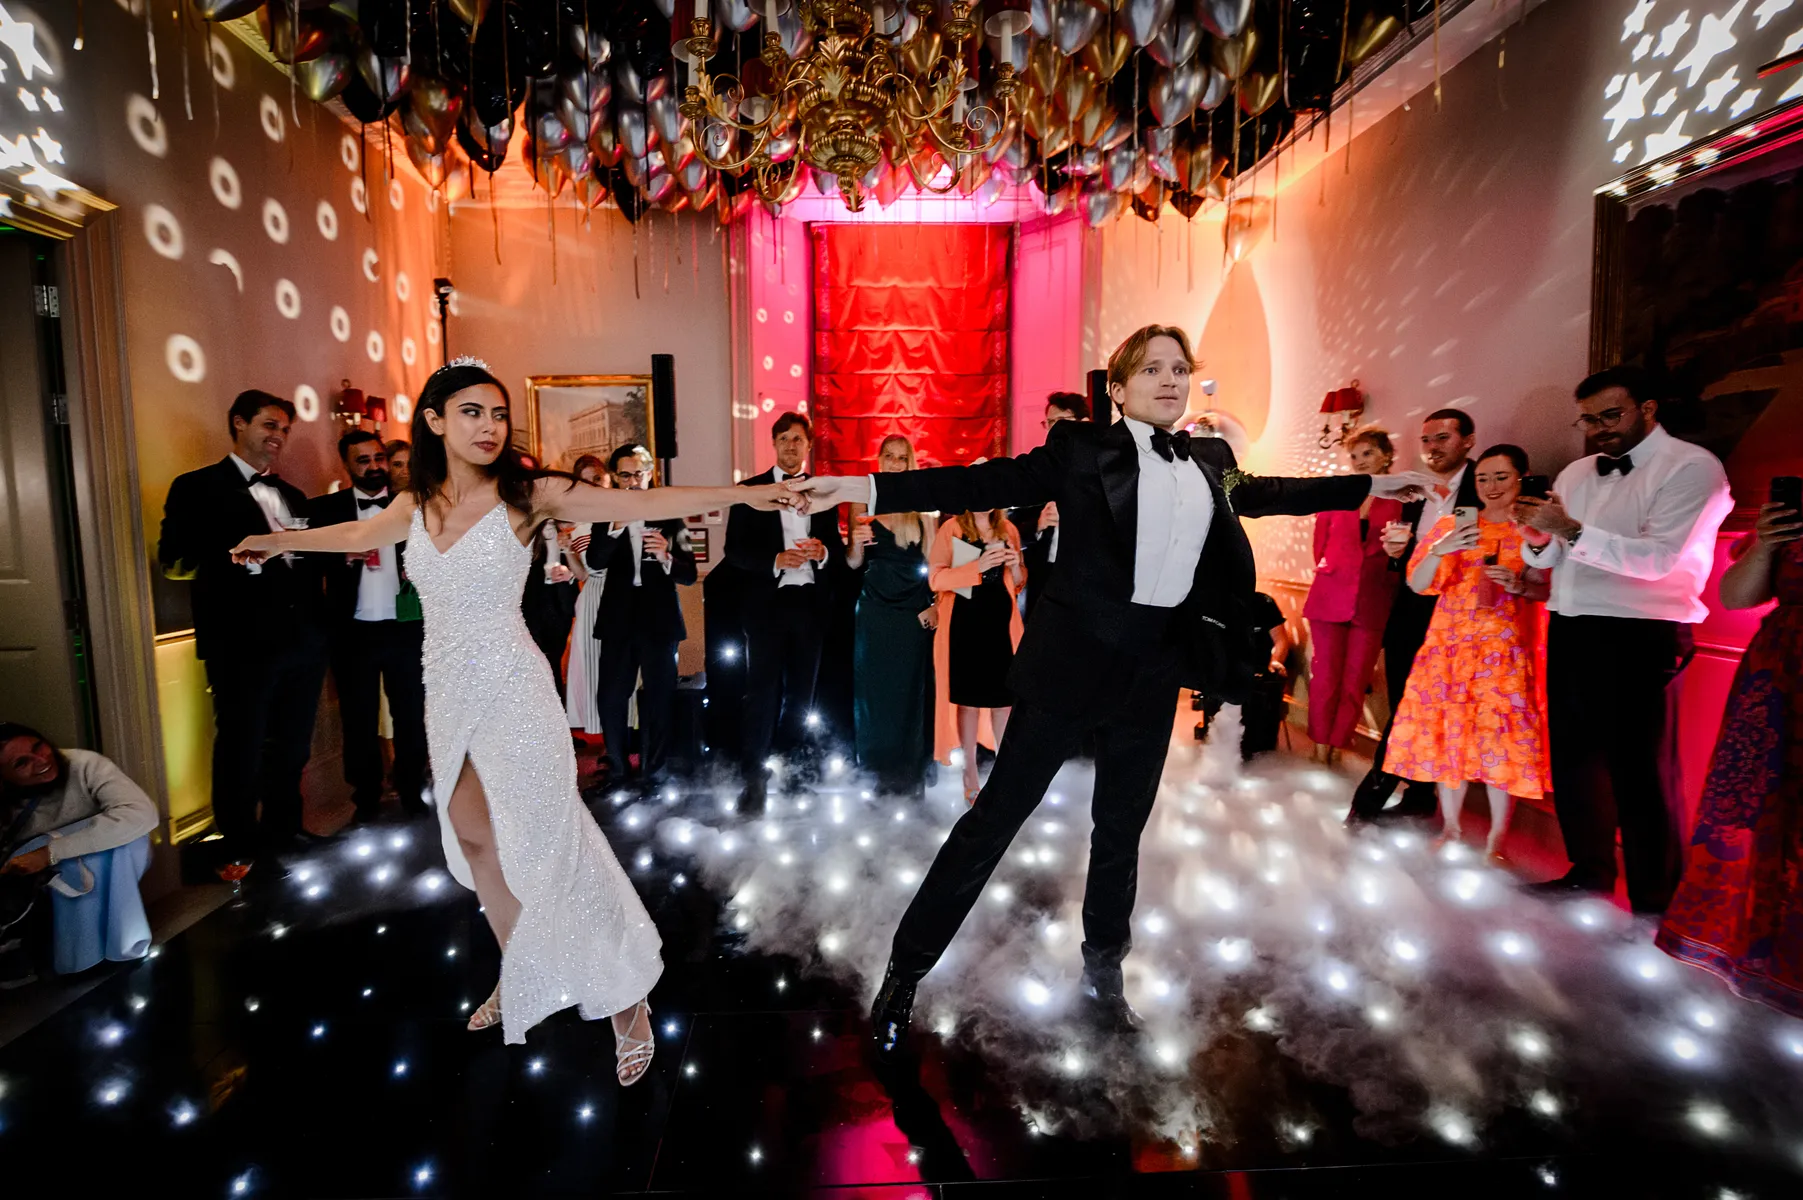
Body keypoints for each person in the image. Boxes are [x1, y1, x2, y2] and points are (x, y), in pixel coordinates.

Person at [794, 325, 1431, 1054]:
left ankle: (1103, 978)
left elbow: (1273, 493)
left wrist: (1374, 485)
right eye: (1152, 369)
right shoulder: (1081, 450)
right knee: (992, 823)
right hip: (1068, 669)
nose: (1169, 379)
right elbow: (980, 480)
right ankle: (906, 971)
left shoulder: (1211, 461)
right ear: (1119, 389)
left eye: (1179, 369)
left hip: (1151, 672)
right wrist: (863, 487)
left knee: (1119, 834)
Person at [230, 357, 799, 1079]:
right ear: (434, 420)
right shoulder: (415, 502)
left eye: (498, 415)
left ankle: (628, 1003)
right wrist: (277, 541)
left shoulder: (527, 496)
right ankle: (523, 965)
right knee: (473, 839)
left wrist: (747, 492)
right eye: (472, 412)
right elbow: (353, 536)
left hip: (513, 685)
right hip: (448, 690)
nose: (489, 426)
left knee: (548, 843)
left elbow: (632, 506)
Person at [1518, 366, 1733, 913]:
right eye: (1588, 418)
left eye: (1610, 415)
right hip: (1572, 623)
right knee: (1574, 762)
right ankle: (1588, 873)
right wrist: (1539, 539)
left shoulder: (1692, 467)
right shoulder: (1576, 473)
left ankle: (1656, 904)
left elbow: (1659, 559)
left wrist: (1567, 530)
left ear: (1649, 409)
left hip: (1643, 633)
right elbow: (1553, 558)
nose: (1598, 429)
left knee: (1641, 772)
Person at [157, 390, 329, 878]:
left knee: (292, 747)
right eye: (269, 426)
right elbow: (174, 562)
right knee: (241, 747)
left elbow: (305, 565)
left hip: (304, 642)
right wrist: (237, 554)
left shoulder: (293, 495)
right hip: (242, 645)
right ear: (238, 423)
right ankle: (239, 846)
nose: (278, 437)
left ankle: (285, 833)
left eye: (284, 430)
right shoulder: (195, 487)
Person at [1657, 491, 1803, 1014]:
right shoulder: (1792, 521)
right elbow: (1736, 598)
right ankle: (1754, 955)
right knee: (1758, 810)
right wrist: (1765, 542)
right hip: (1780, 678)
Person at [1384, 445, 1551, 861]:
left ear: (1521, 477)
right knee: (1448, 736)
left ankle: (1497, 837)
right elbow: (1419, 584)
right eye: (1483, 479)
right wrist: (1441, 548)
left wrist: (1517, 585)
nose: (1491, 487)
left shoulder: (1532, 529)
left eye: (1501, 477)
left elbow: (1546, 588)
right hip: (1449, 645)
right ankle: (1453, 828)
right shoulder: (1457, 522)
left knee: (1501, 739)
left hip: (1502, 646)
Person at [1345, 409, 1482, 823]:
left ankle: (1368, 801)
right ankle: (1421, 797)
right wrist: (1396, 552)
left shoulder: (1484, 484)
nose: (1432, 448)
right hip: (1409, 607)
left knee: (1428, 706)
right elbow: (1408, 557)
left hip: (1456, 611)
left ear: (1468, 441)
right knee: (1404, 701)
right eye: (1426, 441)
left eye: (1442, 438)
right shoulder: (1416, 488)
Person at [725, 413, 846, 814]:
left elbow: (835, 549)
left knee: (801, 697)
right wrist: (775, 558)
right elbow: (734, 552)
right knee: (761, 693)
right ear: (774, 444)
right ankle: (754, 779)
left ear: (809, 445)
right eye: (783, 439)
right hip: (766, 607)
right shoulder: (751, 491)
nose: (791, 445)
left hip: (810, 606)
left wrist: (824, 552)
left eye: (798, 439)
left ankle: (793, 771)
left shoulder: (823, 492)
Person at [310, 431, 429, 822]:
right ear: (346, 465)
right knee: (358, 719)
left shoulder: (415, 508)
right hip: (353, 630)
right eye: (364, 460)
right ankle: (366, 798)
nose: (375, 467)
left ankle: (413, 790)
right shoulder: (326, 510)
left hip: (406, 626)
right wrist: (340, 555)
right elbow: (302, 560)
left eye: (380, 458)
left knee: (411, 714)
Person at [0, 724, 159, 987]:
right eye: (21, 763)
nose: (40, 761)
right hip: (43, 877)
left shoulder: (84, 764)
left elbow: (140, 814)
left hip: (110, 855)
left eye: (38, 747)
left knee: (118, 846)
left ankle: (116, 950)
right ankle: (78, 959)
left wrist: (50, 852)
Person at [587, 445, 698, 788]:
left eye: (640, 474)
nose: (634, 481)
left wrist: (666, 557)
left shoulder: (671, 514)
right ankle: (618, 769)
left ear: (651, 475)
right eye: (626, 475)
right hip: (618, 620)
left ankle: (656, 772)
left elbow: (690, 574)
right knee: (610, 697)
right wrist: (617, 526)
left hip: (659, 621)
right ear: (615, 478)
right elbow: (594, 560)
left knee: (660, 699)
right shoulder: (606, 513)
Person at [1304, 428, 1404, 765]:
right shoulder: (1337, 495)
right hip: (1329, 595)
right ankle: (1319, 748)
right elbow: (1319, 545)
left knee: (1355, 680)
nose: (1360, 461)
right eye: (1355, 455)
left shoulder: (1402, 499)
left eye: (1368, 454)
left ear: (1386, 456)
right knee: (1325, 677)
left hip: (1374, 598)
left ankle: (1337, 744)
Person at [847, 435, 938, 797]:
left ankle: (910, 774)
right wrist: (854, 543)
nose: (896, 464)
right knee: (874, 696)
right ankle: (875, 776)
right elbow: (854, 562)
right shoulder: (863, 500)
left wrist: (935, 604)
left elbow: (935, 565)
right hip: (874, 612)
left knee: (911, 694)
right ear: (880, 459)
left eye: (902, 458)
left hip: (913, 615)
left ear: (910, 462)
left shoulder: (924, 508)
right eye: (890, 457)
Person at [931, 508, 1025, 800]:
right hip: (964, 622)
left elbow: (1019, 582)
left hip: (1000, 624)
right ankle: (969, 771)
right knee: (967, 702)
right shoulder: (952, 528)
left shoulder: (1008, 528)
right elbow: (936, 579)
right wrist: (979, 566)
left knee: (1003, 702)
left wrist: (1016, 563)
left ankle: (1005, 772)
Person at [1014, 392, 1090, 620]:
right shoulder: (1038, 470)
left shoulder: (1100, 471)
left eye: (1061, 422)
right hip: (1044, 579)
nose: (1054, 430)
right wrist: (1038, 526)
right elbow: (1012, 528)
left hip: (1085, 580)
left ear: (1084, 425)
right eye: (1050, 423)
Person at [1193, 590, 1293, 760]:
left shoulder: (1263, 603)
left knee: (1259, 708)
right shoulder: (1213, 604)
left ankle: (1258, 747)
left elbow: (1280, 640)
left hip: (1260, 670)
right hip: (1225, 668)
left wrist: (1275, 661)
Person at [563, 455, 610, 739]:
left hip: (622, 593)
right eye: (585, 480)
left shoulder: (618, 511)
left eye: (597, 478)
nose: (592, 485)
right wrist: (567, 549)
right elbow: (582, 574)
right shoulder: (575, 521)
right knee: (592, 667)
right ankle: (601, 734)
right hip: (592, 594)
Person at [521, 521, 581, 700]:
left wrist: (569, 575)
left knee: (554, 657)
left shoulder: (568, 528)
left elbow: (585, 568)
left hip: (559, 601)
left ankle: (556, 712)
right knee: (535, 659)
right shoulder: (527, 531)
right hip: (531, 602)